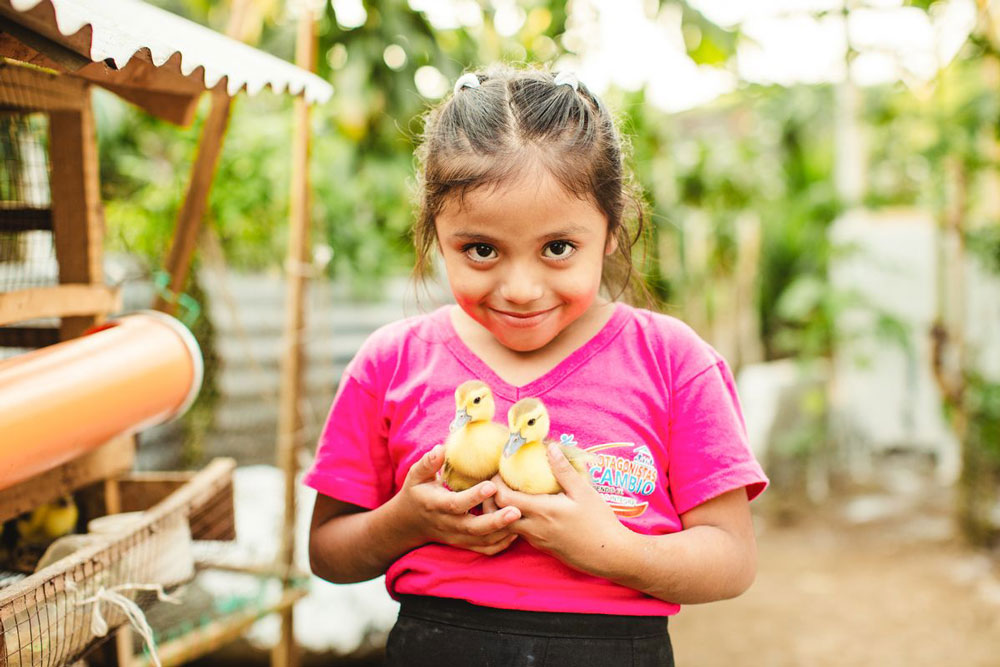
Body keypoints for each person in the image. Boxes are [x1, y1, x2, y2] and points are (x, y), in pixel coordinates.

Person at [305, 64, 768, 666]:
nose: (520, 288)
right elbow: (327, 551)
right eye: (480, 249)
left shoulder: (674, 362)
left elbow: (731, 559)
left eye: (557, 248)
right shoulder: (389, 364)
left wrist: (610, 550)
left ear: (609, 230)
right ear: (435, 234)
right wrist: (404, 522)